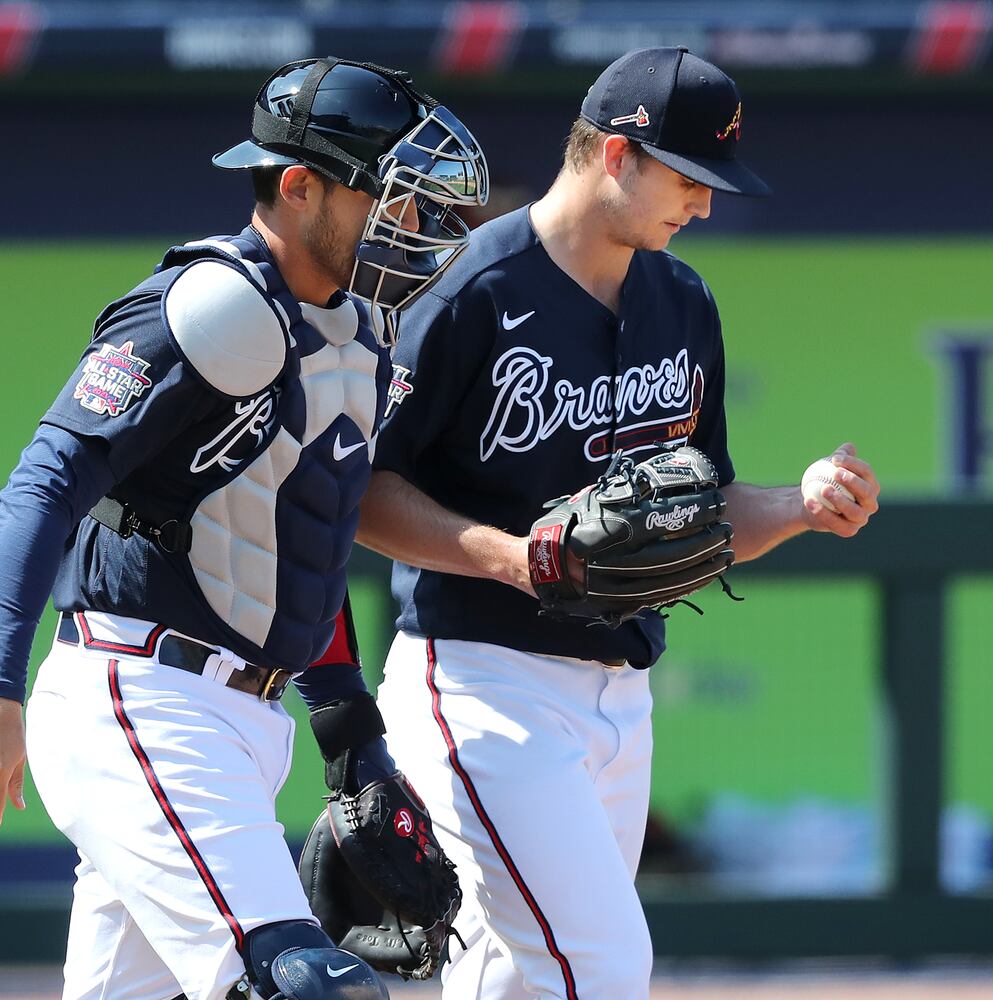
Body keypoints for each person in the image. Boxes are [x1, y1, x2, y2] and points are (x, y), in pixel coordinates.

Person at [0, 56, 488, 1000]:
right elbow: (46, 480)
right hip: (143, 698)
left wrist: (349, 730)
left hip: (240, 716)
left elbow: (301, 534)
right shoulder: (213, 303)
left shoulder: (356, 330)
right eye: (387, 196)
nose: (412, 223)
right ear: (298, 186)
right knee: (306, 987)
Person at [356, 47, 881, 1000]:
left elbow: (700, 506)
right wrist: (514, 558)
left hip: (620, 694)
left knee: (515, 979)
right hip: (481, 682)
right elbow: (363, 491)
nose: (704, 205)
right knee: (599, 966)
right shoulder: (470, 288)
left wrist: (798, 507)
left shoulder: (681, 300)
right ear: (614, 155)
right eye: (687, 178)